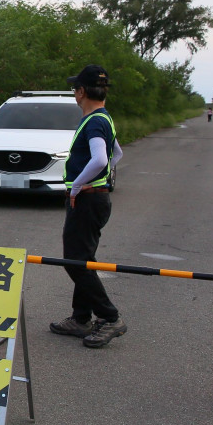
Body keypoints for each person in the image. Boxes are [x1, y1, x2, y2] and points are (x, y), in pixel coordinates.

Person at [49, 64, 127, 349]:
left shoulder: (94, 121)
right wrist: (99, 181)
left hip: (87, 198)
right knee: (84, 259)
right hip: (96, 196)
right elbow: (116, 153)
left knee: (75, 260)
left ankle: (110, 317)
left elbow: (101, 160)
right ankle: (81, 318)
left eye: (75, 89)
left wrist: (80, 185)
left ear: (81, 92)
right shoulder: (103, 118)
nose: (75, 93)